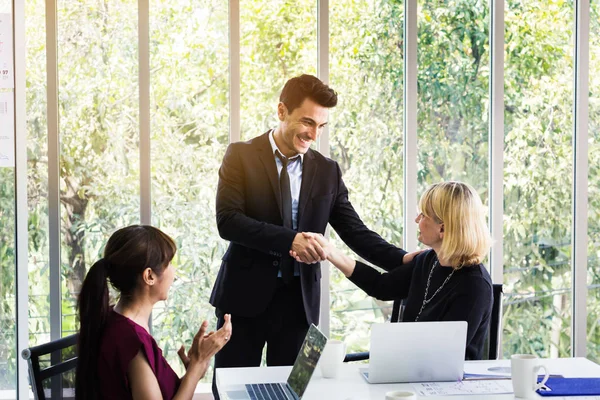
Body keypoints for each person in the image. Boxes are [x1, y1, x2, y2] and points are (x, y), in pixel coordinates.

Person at [210, 74, 418, 398]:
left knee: (298, 394)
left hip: (301, 306)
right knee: (231, 392)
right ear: (282, 111)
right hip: (241, 300)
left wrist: (402, 258)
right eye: (308, 121)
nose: (313, 133)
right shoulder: (240, 155)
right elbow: (228, 221)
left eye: (321, 126)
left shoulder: (328, 170)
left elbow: (356, 231)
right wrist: (288, 240)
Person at [293, 181, 493, 360]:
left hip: (446, 387)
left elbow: (444, 356)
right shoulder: (427, 261)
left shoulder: (475, 285)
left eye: (423, 215)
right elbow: (381, 286)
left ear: (443, 229)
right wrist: (330, 253)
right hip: (410, 373)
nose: (417, 219)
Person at [75, 225, 232, 400]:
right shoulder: (130, 340)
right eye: (169, 264)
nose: (174, 272)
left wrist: (194, 370)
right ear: (149, 276)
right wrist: (197, 366)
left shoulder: (117, 320)